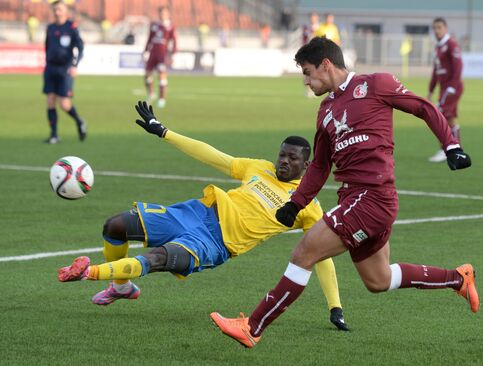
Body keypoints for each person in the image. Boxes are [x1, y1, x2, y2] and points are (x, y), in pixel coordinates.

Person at [210, 36, 477, 348]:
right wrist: (295, 204)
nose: (307, 82)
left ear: (326, 64)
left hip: (372, 196)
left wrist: (451, 146)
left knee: (303, 253)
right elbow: (320, 166)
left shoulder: (376, 84)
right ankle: (459, 279)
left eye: (308, 73)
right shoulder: (325, 111)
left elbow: (422, 107)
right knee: (379, 281)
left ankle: (252, 327)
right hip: (356, 200)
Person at [57, 101, 350, 331]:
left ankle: (88, 273)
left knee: (159, 258)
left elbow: (320, 256)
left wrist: (334, 306)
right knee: (115, 226)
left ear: (307, 164)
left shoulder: (307, 204)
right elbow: (213, 155)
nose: (283, 162)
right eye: (281, 155)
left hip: (215, 244)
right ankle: (121, 287)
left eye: (292, 158)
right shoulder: (258, 168)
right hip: (196, 212)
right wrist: (164, 132)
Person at [42, 0, 86, 144]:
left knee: (64, 104)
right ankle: (54, 135)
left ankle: (79, 121)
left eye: (59, 9)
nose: (57, 12)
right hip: (50, 68)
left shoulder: (71, 27)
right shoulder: (50, 28)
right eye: (55, 10)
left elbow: (80, 48)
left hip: (65, 69)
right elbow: (47, 47)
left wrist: (75, 65)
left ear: (66, 11)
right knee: (50, 101)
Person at [427, 17, 464, 163]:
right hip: (444, 88)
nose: (436, 31)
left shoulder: (451, 44)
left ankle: (446, 150)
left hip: (451, 88)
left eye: (439, 28)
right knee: (450, 118)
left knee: (439, 116)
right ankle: (457, 149)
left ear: (446, 28)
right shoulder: (438, 46)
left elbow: (458, 66)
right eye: (434, 28)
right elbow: (436, 71)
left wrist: (452, 87)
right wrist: (431, 89)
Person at [144, 6, 177, 109]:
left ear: (168, 14)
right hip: (153, 52)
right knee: (147, 74)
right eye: (161, 13)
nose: (163, 15)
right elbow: (150, 37)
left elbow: (174, 40)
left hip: (163, 53)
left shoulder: (170, 26)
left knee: (162, 75)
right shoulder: (154, 25)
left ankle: (162, 99)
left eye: (165, 13)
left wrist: (173, 53)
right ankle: (151, 94)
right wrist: (146, 50)